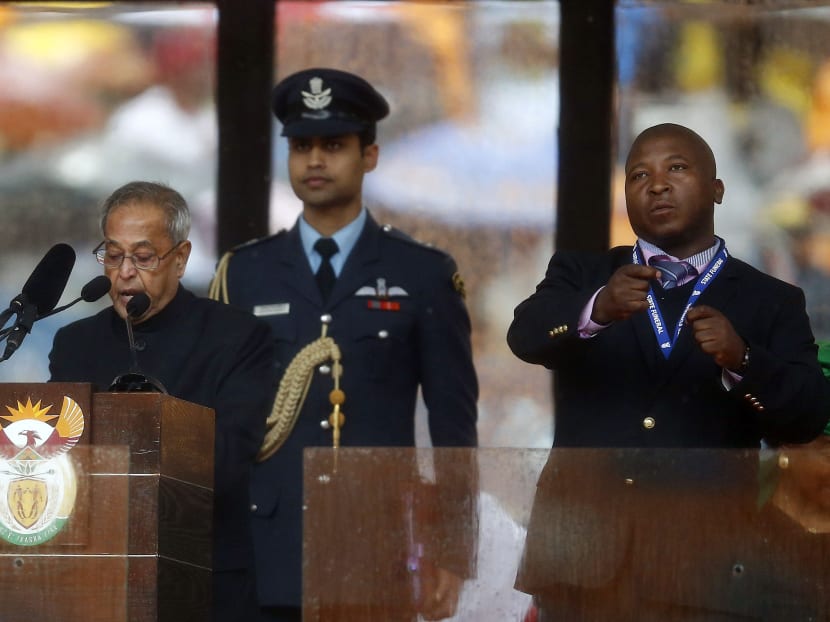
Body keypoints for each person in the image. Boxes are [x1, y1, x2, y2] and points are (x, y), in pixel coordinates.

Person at [208, 68, 479, 621]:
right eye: (301, 146)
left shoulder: (422, 274)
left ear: (370, 155)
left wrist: (452, 551)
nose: (314, 161)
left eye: (334, 146)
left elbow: (454, 424)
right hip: (263, 545)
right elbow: (215, 419)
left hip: (377, 545)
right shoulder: (245, 273)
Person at [507, 122, 830, 449]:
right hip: (582, 500)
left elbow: (808, 419)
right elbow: (524, 337)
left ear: (717, 189)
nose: (657, 185)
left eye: (676, 168)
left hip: (708, 502)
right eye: (639, 176)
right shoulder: (583, 273)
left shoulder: (772, 299)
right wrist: (598, 308)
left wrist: (743, 360)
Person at [48, 181, 275, 622]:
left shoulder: (235, 337)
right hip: (97, 576)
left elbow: (228, 462)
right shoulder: (75, 343)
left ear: (181, 258)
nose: (125, 272)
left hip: (204, 579)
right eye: (113, 255)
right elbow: (57, 458)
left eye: (143, 256)